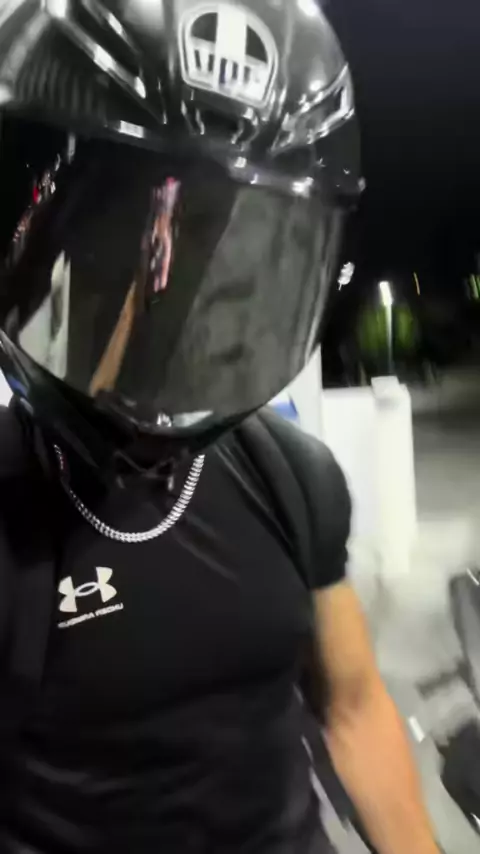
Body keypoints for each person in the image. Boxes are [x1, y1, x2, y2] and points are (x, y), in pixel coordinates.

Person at [0, 1, 440, 852]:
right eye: (137, 248)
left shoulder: (290, 475)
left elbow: (353, 708)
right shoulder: (12, 505)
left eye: (226, 256)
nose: (186, 295)